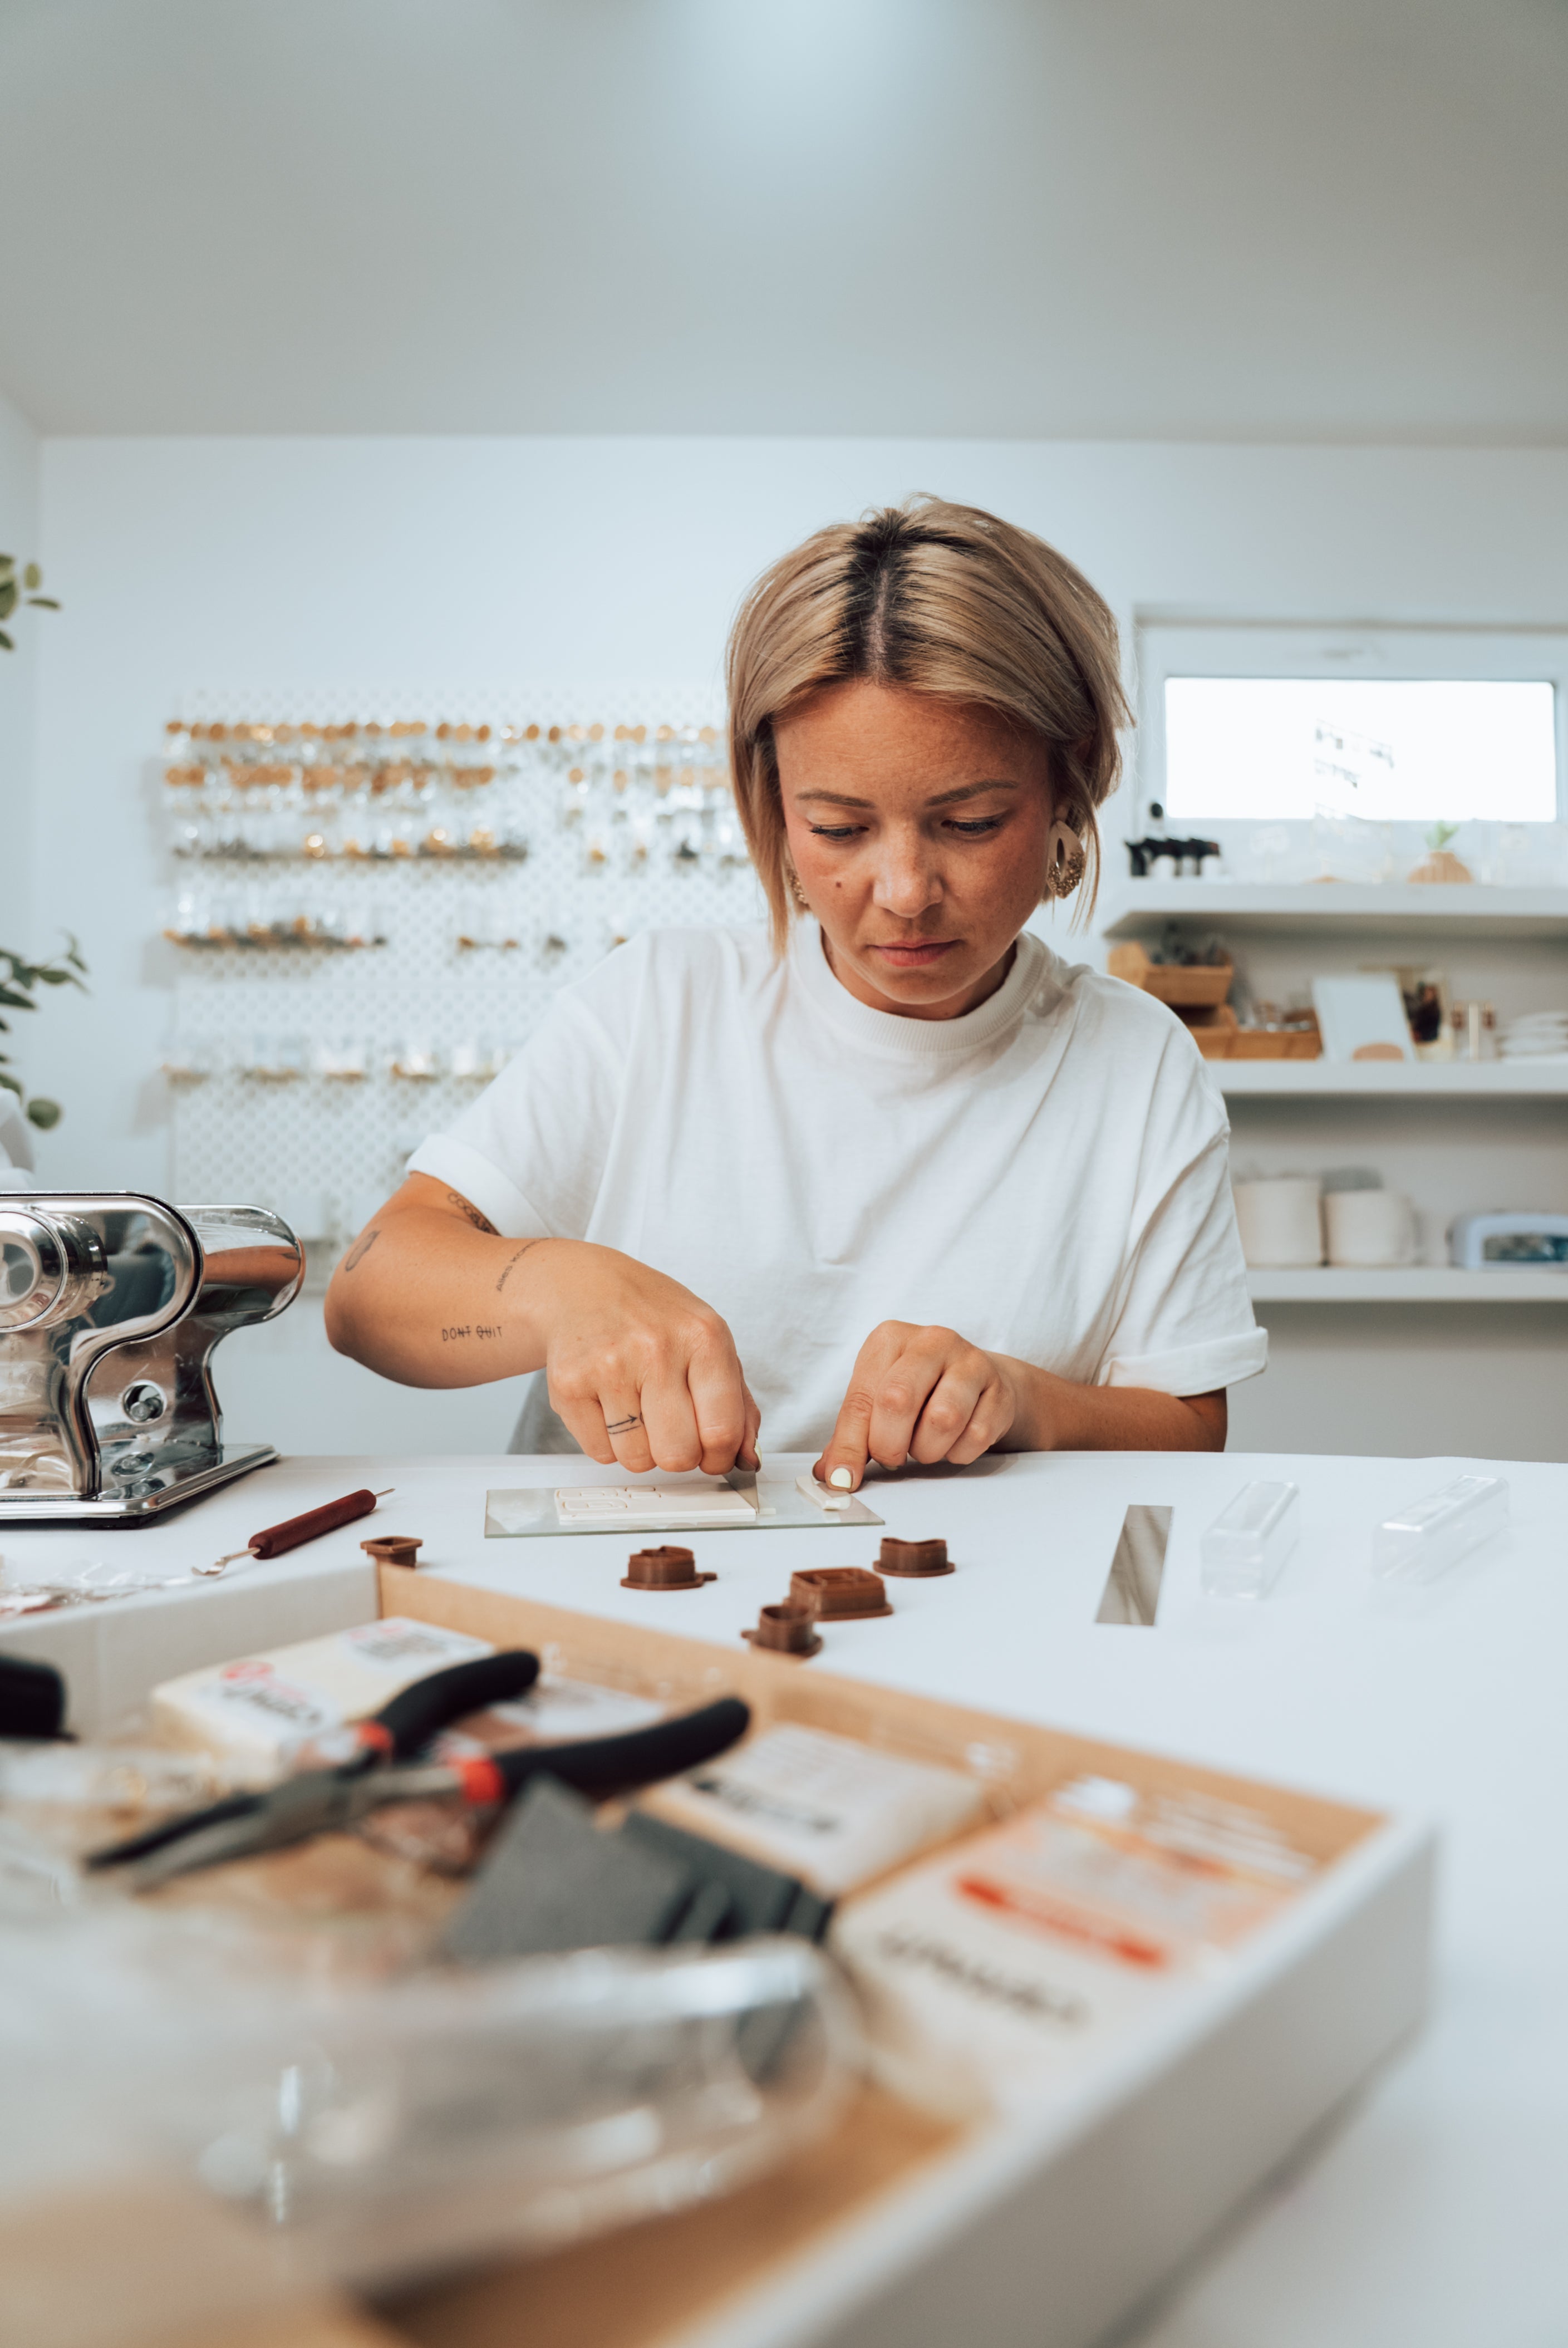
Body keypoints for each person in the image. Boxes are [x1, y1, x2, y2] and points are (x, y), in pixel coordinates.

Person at [325, 498, 1265, 1488]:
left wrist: (1021, 1399)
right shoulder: (657, 1004)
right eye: (839, 829)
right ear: (771, 805)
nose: (904, 894)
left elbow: (1189, 1425)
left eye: (973, 822)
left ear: (1068, 793)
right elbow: (365, 1295)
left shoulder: (1136, 1059)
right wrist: (561, 1288)